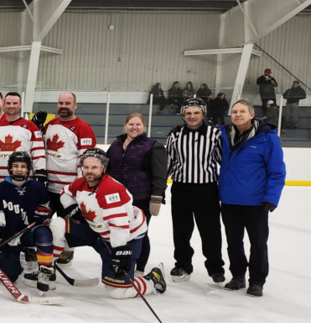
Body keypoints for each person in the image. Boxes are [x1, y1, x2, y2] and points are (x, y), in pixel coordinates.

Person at [50, 148, 167, 299]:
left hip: (124, 238)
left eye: (94, 168)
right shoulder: (82, 183)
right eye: (86, 167)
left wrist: (120, 251)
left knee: (117, 292)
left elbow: (119, 225)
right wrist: (72, 207)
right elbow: (65, 192)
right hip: (96, 231)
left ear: (103, 168)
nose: (89, 171)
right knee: (57, 225)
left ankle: (153, 279)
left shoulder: (110, 190)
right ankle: (47, 268)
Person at [218, 100, 286, 297]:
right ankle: (238, 275)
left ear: (252, 114)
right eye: (234, 111)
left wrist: (272, 196)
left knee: (257, 243)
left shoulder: (267, 138)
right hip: (229, 200)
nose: (237, 115)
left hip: (255, 202)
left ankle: (257, 280)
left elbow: (277, 171)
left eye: (242, 111)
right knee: (233, 242)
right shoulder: (223, 135)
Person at [164, 97, 224, 283]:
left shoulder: (215, 134)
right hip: (181, 188)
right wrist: (159, 187)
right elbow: (169, 161)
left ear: (203, 114)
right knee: (181, 230)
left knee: (210, 231)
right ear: (183, 115)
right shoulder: (175, 135)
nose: (192, 116)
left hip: (206, 189)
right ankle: (182, 264)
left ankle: (215, 268)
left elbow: (224, 161)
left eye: (196, 112)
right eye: (188, 113)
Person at [39, 92, 96, 266]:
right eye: (61, 103)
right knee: (45, 221)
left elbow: (87, 161)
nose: (63, 106)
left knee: (68, 223)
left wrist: (80, 188)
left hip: (68, 189)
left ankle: (67, 251)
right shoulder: (51, 125)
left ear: (75, 105)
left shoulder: (83, 127)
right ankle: (45, 249)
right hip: (49, 185)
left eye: (67, 103)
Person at [107, 113, 168, 276]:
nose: (134, 127)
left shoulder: (153, 146)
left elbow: (160, 173)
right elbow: (107, 169)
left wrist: (157, 195)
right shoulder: (116, 144)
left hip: (140, 197)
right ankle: (120, 264)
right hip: (116, 199)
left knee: (139, 232)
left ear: (144, 127)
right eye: (131, 124)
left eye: (138, 124)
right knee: (118, 230)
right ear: (125, 125)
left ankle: (139, 268)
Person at [0, 151, 55, 290]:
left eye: (23, 166)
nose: (19, 169)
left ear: (29, 168)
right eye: (15, 165)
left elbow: (46, 205)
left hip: (30, 230)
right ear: (9, 168)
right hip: (10, 235)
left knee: (44, 233)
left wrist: (43, 213)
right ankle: (11, 258)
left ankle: (44, 272)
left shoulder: (37, 187)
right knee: (10, 275)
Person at [0, 92, 46, 184]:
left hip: (24, 180)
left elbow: (38, 153)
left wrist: (40, 172)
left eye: (15, 103)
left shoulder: (31, 127)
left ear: (20, 105)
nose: (11, 106)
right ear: (4, 104)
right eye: (8, 103)